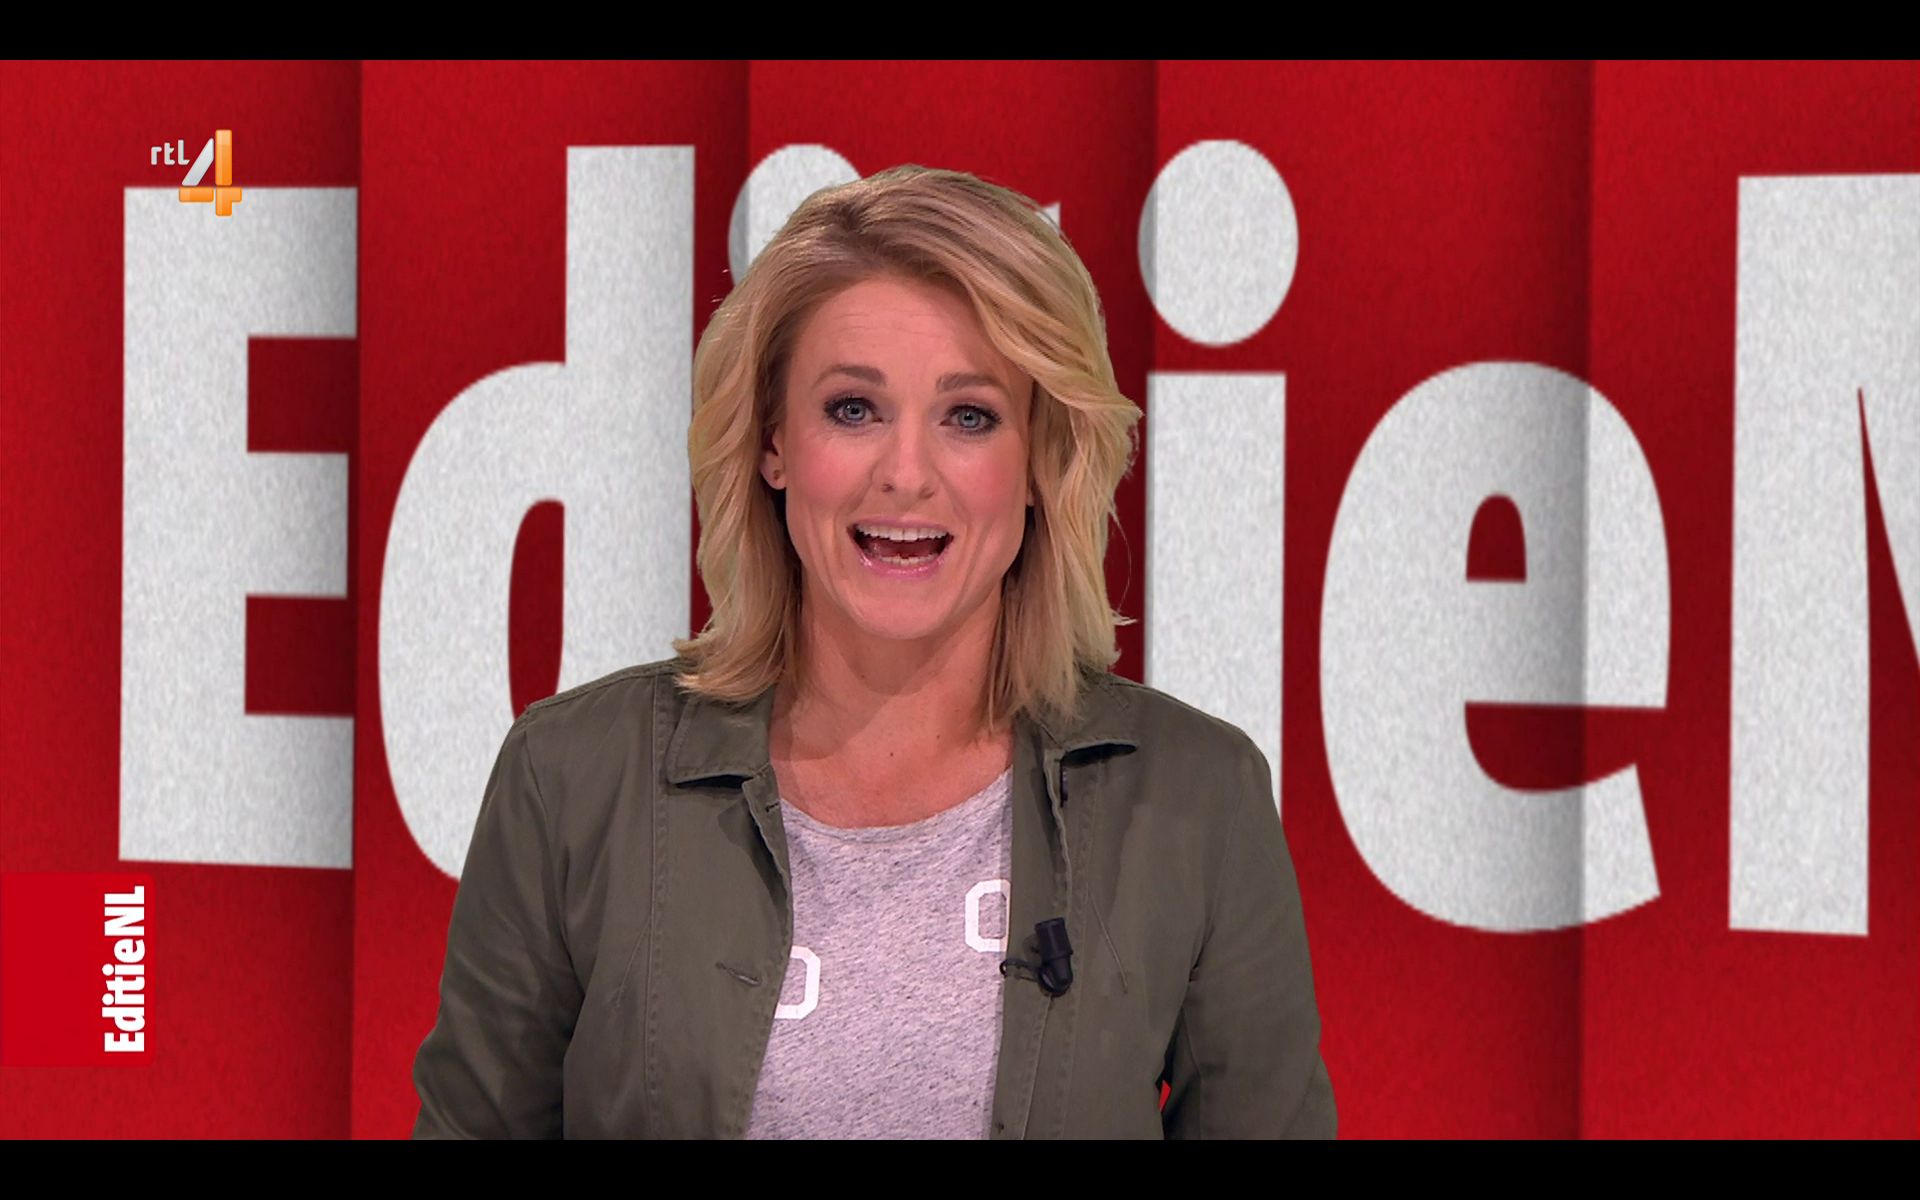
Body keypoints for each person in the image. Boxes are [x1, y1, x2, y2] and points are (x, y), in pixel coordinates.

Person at [410, 164, 1336, 1140]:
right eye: (853, 408)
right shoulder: (571, 780)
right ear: (772, 441)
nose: (906, 473)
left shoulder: (1199, 800)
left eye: (969, 416)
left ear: (1039, 459)